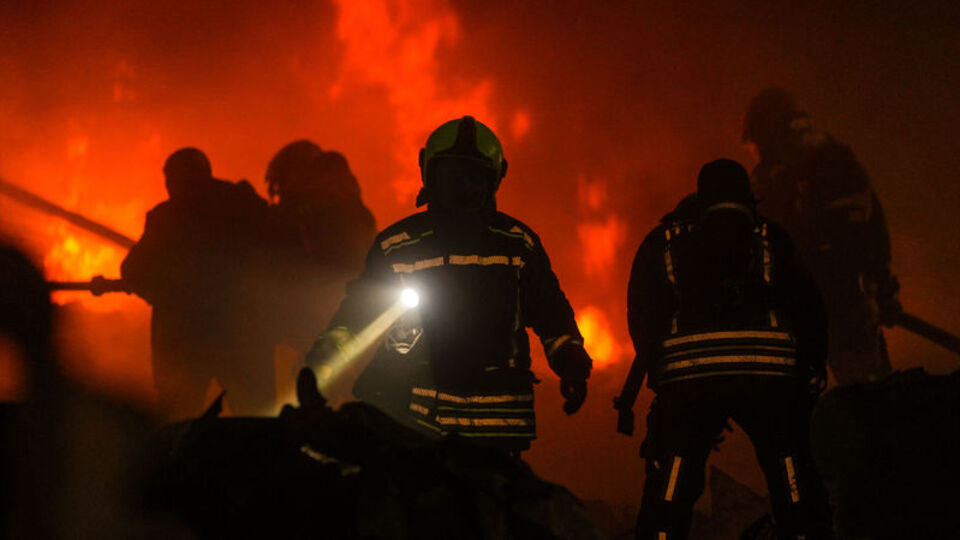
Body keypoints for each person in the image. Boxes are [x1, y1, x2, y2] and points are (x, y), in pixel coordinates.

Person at [305, 116, 592, 452]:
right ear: (431, 174)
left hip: (495, 435)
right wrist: (323, 360)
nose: (465, 186)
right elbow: (359, 314)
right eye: (454, 174)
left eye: (474, 176)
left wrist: (570, 360)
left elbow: (551, 313)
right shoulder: (398, 246)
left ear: (494, 178)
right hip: (418, 425)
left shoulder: (518, 245)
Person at [615, 159, 833, 539]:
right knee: (790, 471)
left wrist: (659, 371)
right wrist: (811, 365)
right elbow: (808, 306)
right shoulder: (772, 238)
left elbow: (642, 310)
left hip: (689, 383)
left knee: (674, 477)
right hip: (771, 382)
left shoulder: (664, 242)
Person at [743, 88, 898, 384]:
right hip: (811, 308)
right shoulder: (795, 172)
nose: (759, 154)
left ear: (771, 133)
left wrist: (878, 284)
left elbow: (859, 234)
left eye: (760, 143)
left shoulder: (825, 170)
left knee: (866, 393)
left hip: (841, 306)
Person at [121, 148, 274, 420]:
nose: (168, 185)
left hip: (185, 341)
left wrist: (158, 291)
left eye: (170, 178)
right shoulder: (241, 202)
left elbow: (133, 270)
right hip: (242, 336)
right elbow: (277, 252)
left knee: (179, 422)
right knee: (257, 418)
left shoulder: (166, 217)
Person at [265, 141, 377, 352]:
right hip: (358, 311)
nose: (282, 195)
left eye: (282, 185)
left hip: (321, 312)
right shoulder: (353, 206)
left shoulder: (310, 208)